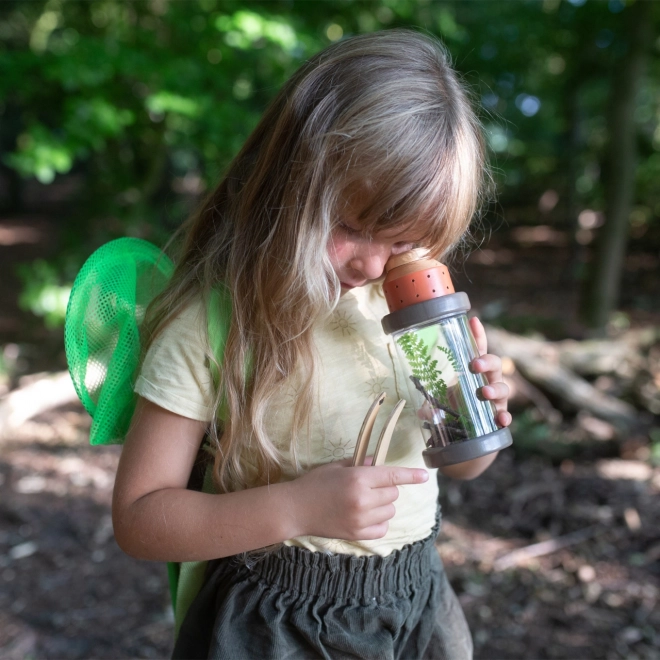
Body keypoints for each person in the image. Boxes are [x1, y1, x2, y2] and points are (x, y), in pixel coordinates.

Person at [111, 29, 511, 660]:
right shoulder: (213, 326)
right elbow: (139, 518)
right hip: (278, 626)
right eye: (350, 227)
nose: (374, 265)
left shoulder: (406, 308)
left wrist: (475, 416)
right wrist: (294, 509)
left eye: (404, 242)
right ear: (286, 187)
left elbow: (458, 465)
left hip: (415, 599)